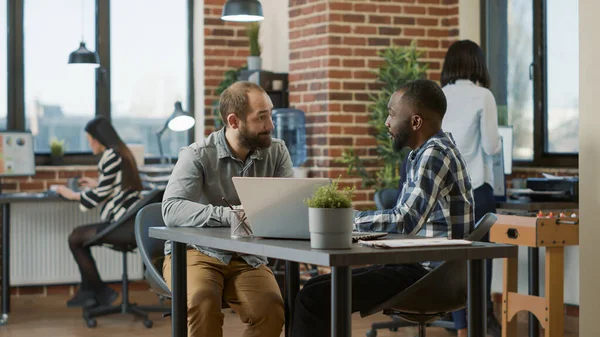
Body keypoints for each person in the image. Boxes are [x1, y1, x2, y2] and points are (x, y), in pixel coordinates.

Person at [290, 79, 474, 337]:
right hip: (418, 265)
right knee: (314, 287)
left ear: (416, 122)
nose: (387, 122)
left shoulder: (435, 154)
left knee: (313, 297)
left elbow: (403, 222)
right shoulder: (426, 152)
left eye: (391, 114)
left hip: (428, 274)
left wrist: (344, 220)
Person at [161, 81, 293, 337]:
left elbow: (288, 205)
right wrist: (235, 216)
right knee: (203, 301)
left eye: (271, 114)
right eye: (262, 117)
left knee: (272, 310)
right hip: (196, 252)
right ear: (234, 121)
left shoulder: (277, 152)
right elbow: (172, 209)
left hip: (247, 255)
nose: (271, 126)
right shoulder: (197, 155)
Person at [440, 39, 503, 337]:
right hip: (476, 190)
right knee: (480, 262)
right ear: (477, 64)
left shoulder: (437, 95)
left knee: (454, 262)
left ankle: (461, 329)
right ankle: (481, 323)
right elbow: (491, 146)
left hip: (444, 192)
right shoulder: (483, 96)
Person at [55, 116, 143, 308]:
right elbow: (120, 185)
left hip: (122, 224)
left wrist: (71, 195)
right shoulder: (122, 153)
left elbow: (100, 195)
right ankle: (91, 292)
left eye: (89, 140)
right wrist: (97, 184)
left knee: (75, 238)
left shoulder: (110, 155)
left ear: (97, 138)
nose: (90, 145)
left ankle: (100, 291)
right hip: (131, 222)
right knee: (77, 238)